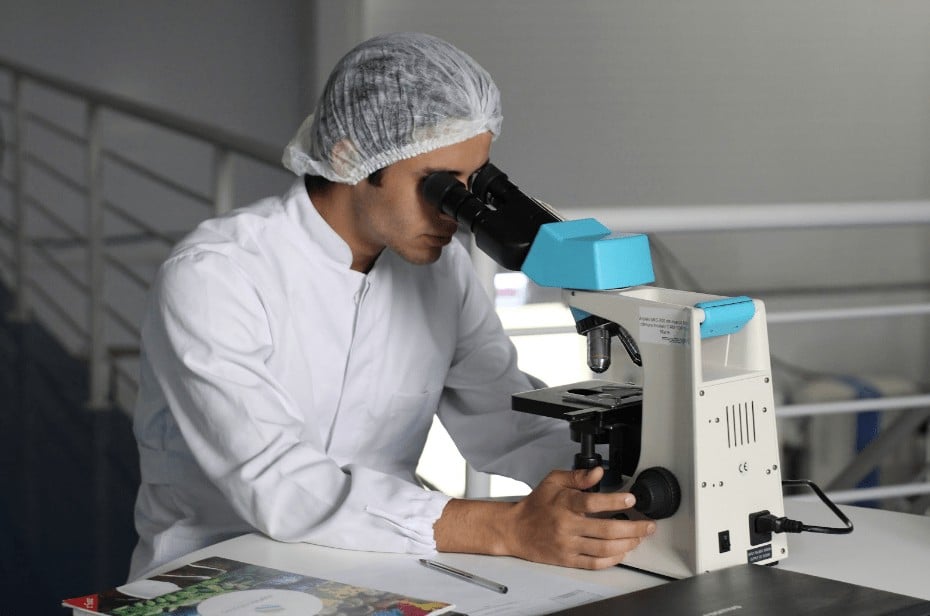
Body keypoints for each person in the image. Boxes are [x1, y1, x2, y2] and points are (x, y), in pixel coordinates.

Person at [128, 32, 655, 581]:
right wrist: (507, 527)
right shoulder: (218, 275)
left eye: (474, 183)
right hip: (217, 571)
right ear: (351, 157)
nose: (457, 214)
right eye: (440, 188)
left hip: (376, 565)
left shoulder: (440, 272)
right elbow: (279, 484)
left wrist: (613, 483)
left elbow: (506, 421)